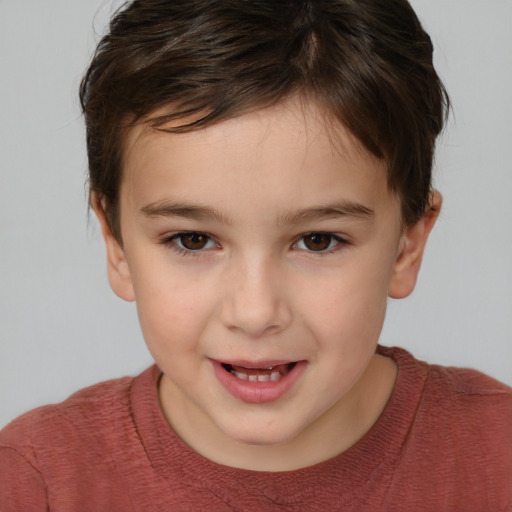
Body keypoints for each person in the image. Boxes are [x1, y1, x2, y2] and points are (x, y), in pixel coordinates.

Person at [0, 0, 510, 510]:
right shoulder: (35, 481)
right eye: (192, 240)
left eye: (318, 240)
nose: (255, 312)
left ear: (408, 244)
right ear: (116, 244)